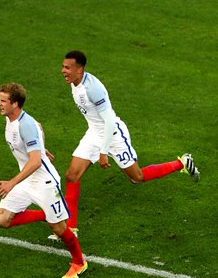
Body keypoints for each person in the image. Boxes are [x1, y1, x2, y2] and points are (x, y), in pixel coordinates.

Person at [55, 50, 200, 239]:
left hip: (113, 134)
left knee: (136, 177)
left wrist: (104, 151)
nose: (63, 71)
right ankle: (70, 228)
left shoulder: (92, 89)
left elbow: (108, 121)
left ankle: (181, 163)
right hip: (94, 133)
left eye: (67, 68)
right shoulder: (75, 83)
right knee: (71, 175)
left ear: (79, 70)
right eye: (63, 66)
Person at [0, 83, 87, 278]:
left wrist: (11, 183)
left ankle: (79, 262)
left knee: (60, 229)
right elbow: (40, 128)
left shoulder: (24, 125)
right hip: (26, 180)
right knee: (2, 219)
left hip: (44, 182)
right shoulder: (12, 119)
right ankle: (47, 215)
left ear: (15, 104)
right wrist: (40, 146)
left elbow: (35, 162)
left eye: (3, 101)